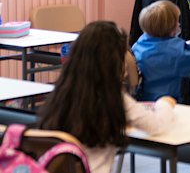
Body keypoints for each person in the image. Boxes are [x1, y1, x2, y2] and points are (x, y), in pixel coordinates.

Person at [38, 21, 176, 173]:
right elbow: (156, 125)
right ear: (113, 61)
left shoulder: (61, 92)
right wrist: (165, 103)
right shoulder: (113, 98)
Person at [131, 0, 190, 102]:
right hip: (168, 103)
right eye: (177, 21)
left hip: (142, 100)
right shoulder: (176, 51)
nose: (179, 24)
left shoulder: (138, 45)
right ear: (172, 28)